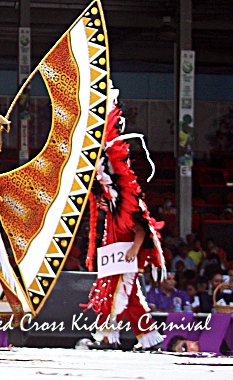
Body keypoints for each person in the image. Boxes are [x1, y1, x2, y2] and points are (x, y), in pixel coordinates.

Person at [85, 101, 166, 351]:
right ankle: (149, 338)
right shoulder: (114, 207)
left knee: (116, 293)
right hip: (117, 255)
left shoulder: (127, 204)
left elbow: (141, 229)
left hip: (126, 256)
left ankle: (107, 337)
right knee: (129, 297)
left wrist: (133, 249)